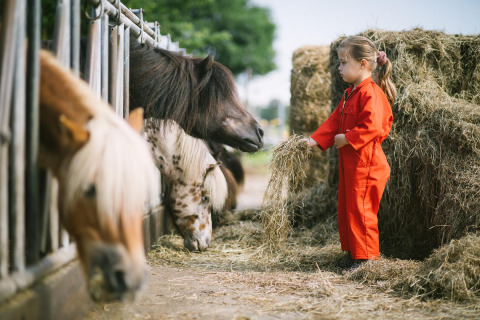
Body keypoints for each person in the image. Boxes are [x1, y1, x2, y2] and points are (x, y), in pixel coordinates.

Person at [306, 36, 396, 266]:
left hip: (367, 164)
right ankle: (353, 253)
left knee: (361, 209)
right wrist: (314, 141)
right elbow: (334, 121)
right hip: (353, 163)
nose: (339, 67)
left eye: (344, 62)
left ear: (363, 64)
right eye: (340, 62)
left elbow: (372, 126)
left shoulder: (371, 93)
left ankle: (365, 259)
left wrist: (346, 138)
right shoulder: (350, 93)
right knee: (348, 207)